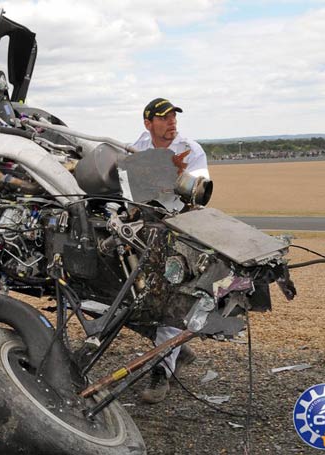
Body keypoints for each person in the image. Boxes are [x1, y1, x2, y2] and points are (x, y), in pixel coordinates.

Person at [132, 98, 208, 403]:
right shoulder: (134, 147)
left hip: (180, 230)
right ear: (148, 123)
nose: (172, 122)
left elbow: (201, 193)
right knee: (130, 299)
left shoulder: (191, 149)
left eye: (173, 117)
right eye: (164, 118)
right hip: (143, 230)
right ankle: (178, 349)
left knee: (165, 301)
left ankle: (161, 373)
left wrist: (166, 178)